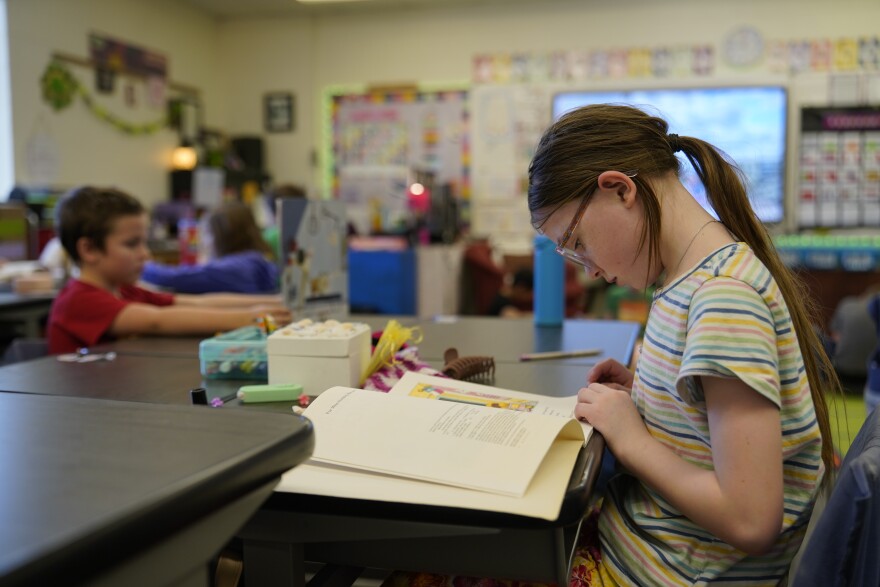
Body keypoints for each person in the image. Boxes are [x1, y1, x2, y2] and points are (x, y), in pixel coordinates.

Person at [388, 104, 842, 586]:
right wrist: (650, 395)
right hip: (638, 548)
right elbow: (707, 426)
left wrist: (630, 438)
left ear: (620, 189)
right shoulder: (686, 276)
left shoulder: (722, 298)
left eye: (577, 242)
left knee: (428, 566)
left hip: (661, 574)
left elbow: (751, 519)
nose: (588, 269)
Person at [46, 186, 291, 355]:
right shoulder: (79, 300)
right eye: (132, 244)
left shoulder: (126, 292)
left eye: (144, 242)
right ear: (89, 250)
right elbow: (157, 321)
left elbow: (196, 303)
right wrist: (253, 317)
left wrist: (276, 301)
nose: (145, 254)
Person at [140, 201, 279, 294]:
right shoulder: (257, 260)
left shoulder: (239, 268)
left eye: (208, 234)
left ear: (224, 236)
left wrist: (142, 265)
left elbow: (172, 277)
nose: (205, 242)